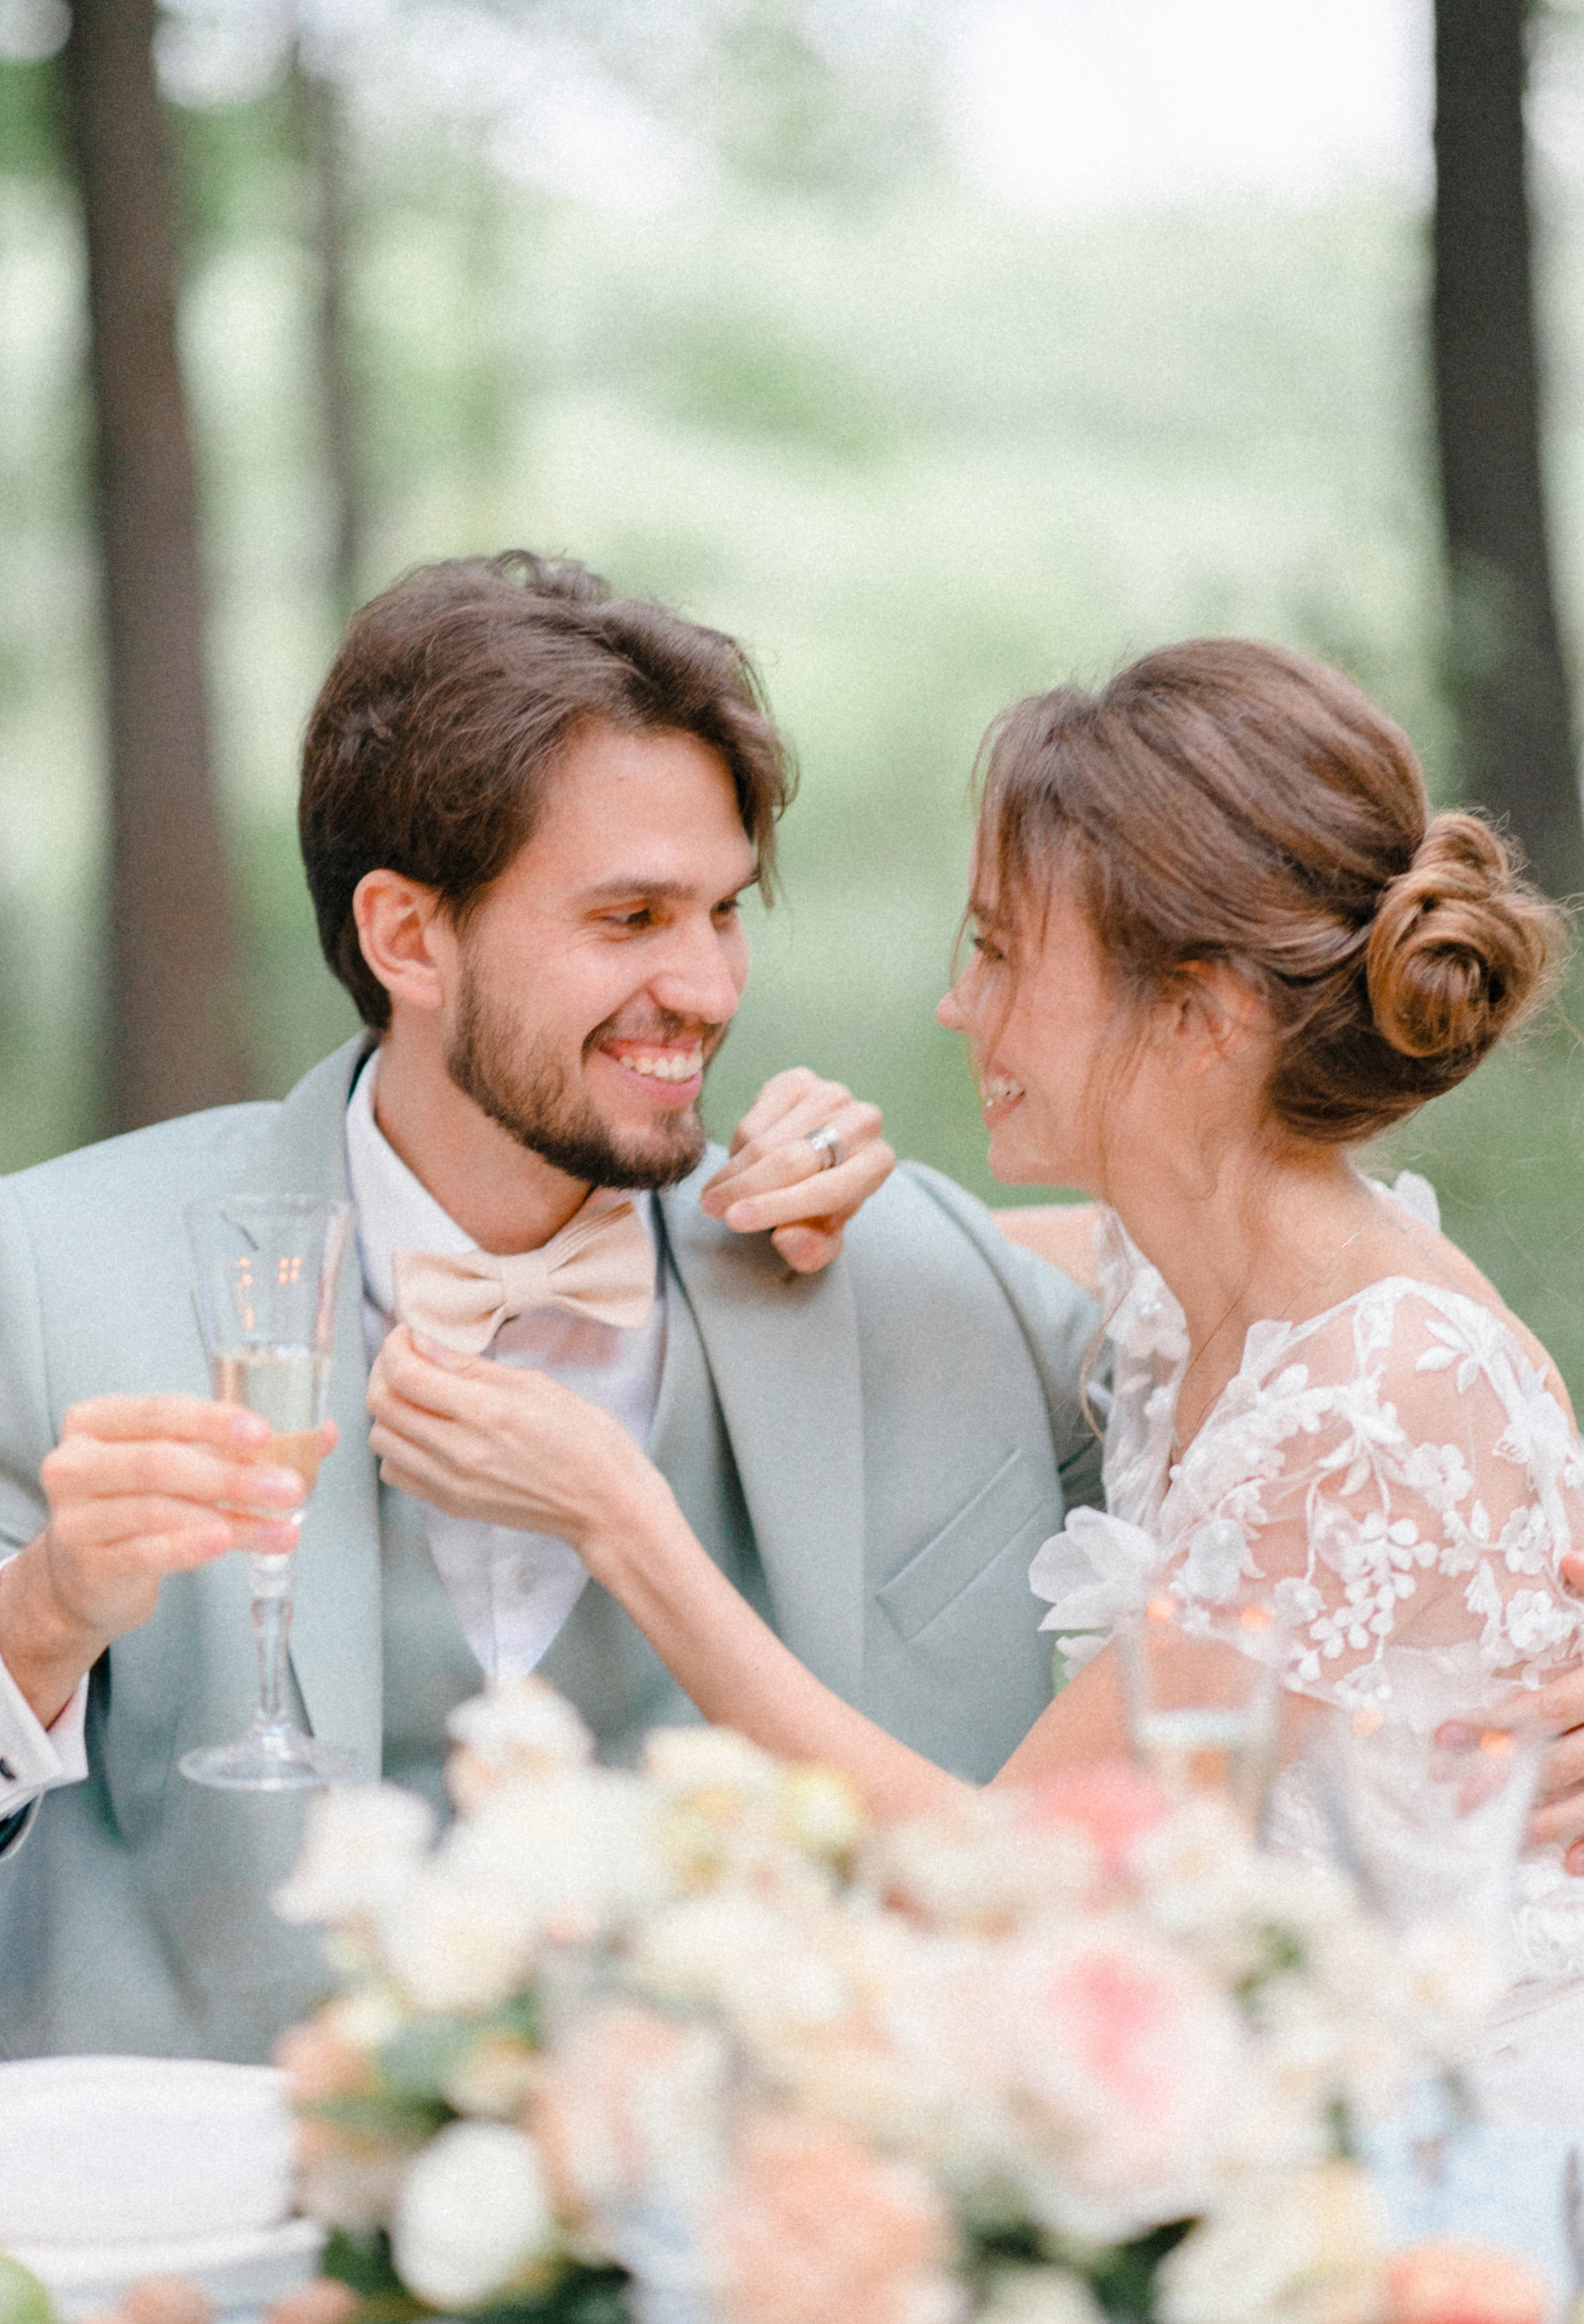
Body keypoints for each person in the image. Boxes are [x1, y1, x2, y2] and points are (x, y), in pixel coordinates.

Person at [364, 637, 1584, 2114]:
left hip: (1443, 2146)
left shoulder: (1367, 1400)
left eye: (1002, 953)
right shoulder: (1204, 1272)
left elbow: (1001, 1870)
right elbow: (1013, 1258)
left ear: (1198, 1016)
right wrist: (826, 1191)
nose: (957, 1007)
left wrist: (623, 1524)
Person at [0, 551, 1106, 2062]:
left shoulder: (884, 1269)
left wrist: (1538, 1663)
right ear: (408, 938)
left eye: (721, 913)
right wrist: (48, 1614)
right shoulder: (56, 1271)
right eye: (630, 917)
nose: (709, 987)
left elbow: (1303, 1396)